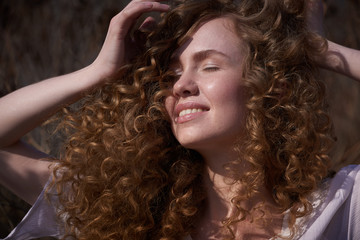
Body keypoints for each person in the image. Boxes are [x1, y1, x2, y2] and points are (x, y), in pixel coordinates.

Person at [1, 0, 360, 239]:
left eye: (209, 66)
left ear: (272, 88)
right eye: (172, 74)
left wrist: (322, 51)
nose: (182, 86)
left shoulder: (340, 207)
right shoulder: (124, 211)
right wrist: (98, 73)